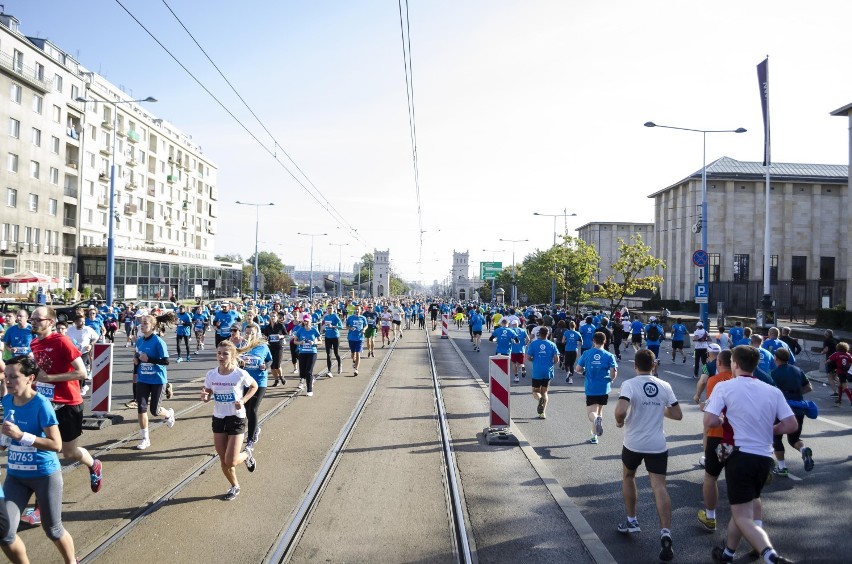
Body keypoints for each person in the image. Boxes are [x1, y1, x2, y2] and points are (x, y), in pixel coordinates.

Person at [704, 345, 797, 564]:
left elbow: (709, 421)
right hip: (764, 459)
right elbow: (791, 424)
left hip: (740, 456)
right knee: (745, 506)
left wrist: (719, 421)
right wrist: (772, 430)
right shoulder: (772, 391)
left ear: (735, 364)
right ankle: (727, 553)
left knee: (742, 515)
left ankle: (770, 555)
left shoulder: (725, 387)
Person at [0, 356, 77, 563]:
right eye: (6, 376)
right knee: (5, 532)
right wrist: (5, 439)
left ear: (30, 378)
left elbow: (56, 444)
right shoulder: (7, 400)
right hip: (16, 476)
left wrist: (20, 436)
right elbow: (8, 434)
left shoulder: (41, 404)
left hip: (44, 475)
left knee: (53, 529)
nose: (8, 381)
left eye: (14, 377)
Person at [613, 349, 681, 562]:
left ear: (635, 366)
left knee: (629, 477)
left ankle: (632, 520)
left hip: (633, 443)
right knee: (659, 486)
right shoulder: (665, 385)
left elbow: (621, 410)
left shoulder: (630, 384)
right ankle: (665, 532)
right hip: (657, 444)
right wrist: (661, 409)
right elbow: (678, 414)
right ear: (654, 365)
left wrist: (619, 422)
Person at [29, 306, 103, 493]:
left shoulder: (62, 341)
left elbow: (82, 372)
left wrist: (49, 379)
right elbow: (40, 373)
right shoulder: (34, 344)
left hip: (68, 403)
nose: (34, 322)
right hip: (45, 404)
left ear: (51, 322)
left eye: (38, 319)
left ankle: (94, 464)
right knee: (44, 450)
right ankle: (42, 503)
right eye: (32, 319)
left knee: (69, 453)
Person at [201, 340, 258, 501]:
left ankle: (246, 454)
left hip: (236, 418)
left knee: (230, 460)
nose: (221, 356)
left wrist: (244, 400)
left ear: (232, 356)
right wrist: (205, 396)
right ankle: (235, 486)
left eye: (225, 353)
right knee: (223, 459)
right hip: (218, 417)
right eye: (219, 353)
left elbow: (254, 386)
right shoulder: (211, 374)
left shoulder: (239, 373)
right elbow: (208, 392)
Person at [697, 349, 734, 531]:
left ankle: (710, 517)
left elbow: (713, 411)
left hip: (718, 436)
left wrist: (704, 406)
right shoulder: (743, 382)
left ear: (719, 362)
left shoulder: (715, 381)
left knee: (711, 477)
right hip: (740, 439)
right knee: (738, 479)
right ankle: (749, 522)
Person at [132, 315, 176, 450]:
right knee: (141, 408)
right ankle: (145, 439)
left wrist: (149, 359)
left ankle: (168, 414)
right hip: (143, 379)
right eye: (141, 323)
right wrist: (135, 370)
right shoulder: (139, 341)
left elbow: (166, 361)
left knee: (155, 411)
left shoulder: (158, 342)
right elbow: (137, 357)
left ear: (152, 326)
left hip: (157, 379)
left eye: (145, 323)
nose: (142, 325)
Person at [770, 348, 814, 476]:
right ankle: (804, 450)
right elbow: (808, 387)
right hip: (798, 408)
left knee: (776, 437)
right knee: (794, 439)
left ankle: (782, 467)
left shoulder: (773, 373)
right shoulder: (798, 370)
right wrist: (796, 395)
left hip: (780, 410)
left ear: (776, 359)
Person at [575, 332, 618, 444]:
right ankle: (594, 436)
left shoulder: (587, 353)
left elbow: (578, 369)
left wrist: (585, 371)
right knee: (599, 410)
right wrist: (611, 379)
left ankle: (595, 421)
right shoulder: (609, 355)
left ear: (593, 341)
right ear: (605, 341)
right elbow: (614, 371)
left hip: (591, 387)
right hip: (604, 387)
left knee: (591, 413)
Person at [236, 323, 271, 447]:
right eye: (247, 333)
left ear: (257, 334)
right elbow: (236, 361)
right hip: (245, 382)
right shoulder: (241, 346)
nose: (249, 335)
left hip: (260, 382)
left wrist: (265, 366)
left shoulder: (263, 346)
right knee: (245, 411)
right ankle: (255, 429)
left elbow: (269, 360)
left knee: (253, 409)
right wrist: (240, 363)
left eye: (252, 333)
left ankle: (250, 440)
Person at [526, 326, 559, 419]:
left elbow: (528, 357)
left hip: (537, 371)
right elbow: (557, 359)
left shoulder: (533, 344)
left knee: (535, 391)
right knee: (544, 392)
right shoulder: (552, 344)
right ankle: (542, 413)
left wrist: (533, 359)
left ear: (539, 334)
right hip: (548, 371)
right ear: (548, 334)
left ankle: (539, 399)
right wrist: (552, 363)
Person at [293, 315, 321, 396]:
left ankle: (309, 390)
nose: (305, 323)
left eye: (307, 321)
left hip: (312, 353)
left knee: (308, 372)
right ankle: (310, 380)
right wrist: (300, 343)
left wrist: (314, 343)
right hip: (302, 353)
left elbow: (320, 341)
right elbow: (295, 341)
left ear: (310, 321)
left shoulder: (314, 330)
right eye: (304, 321)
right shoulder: (300, 330)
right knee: (302, 372)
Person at [262, 311, 287, 386]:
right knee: (272, 366)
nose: (272, 318)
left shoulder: (280, 326)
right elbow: (266, 336)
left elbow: (286, 335)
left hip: (279, 347)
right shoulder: (267, 327)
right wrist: (265, 338)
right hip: (270, 347)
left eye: (274, 316)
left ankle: (281, 376)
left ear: (277, 317)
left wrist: (281, 336)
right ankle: (276, 380)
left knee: (277, 364)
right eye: (271, 316)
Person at [827, 341, 852, 407]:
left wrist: (832, 365)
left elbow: (828, 361)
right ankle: (839, 400)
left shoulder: (836, 354)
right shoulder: (848, 355)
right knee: (840, 386)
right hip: (846, 372)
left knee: (844, 386)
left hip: (840, 372)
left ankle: (851, 399)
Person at [321, 305, 343, 376]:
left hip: (335, 337)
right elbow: (324, 326)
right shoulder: (326, 317)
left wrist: (333, 326)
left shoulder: (335, 316)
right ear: (327, 309)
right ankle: (329, 371)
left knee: (336, 353)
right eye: (328, 308)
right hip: (327, 337)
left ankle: (339, 364)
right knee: (328, 355)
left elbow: (341, 326)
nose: (329, 310)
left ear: (333, 309)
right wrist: (323, 330)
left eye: (331, 308)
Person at [346, 305, 367, 376]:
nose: (357, 311)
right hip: (351, 338)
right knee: (352, 354)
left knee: (358, 353)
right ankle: (354, 361)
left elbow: (366, 325)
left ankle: (356, 369)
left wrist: (364, 329)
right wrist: (350, 328)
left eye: (358, 309)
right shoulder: (350, 318)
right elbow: (346, 326)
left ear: (361, 310)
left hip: (360, 338)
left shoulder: (363, 318)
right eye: (356, 309)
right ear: (354, 310)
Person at [822, 329, 841, 399]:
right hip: (837, 360)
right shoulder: (836, 340)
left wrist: (822, 352)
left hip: (830, 361)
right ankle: (843, 386)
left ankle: (836, 392)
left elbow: (826, 350)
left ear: (827, 334)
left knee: (830, 377)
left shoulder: (826, 341)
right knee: (835, 375)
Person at [563, 320, 582, 384]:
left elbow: (563, 341)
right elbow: (581, 342)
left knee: (566, 363)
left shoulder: (566, 332)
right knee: (572, 364)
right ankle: (570, 379)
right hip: (574, 350)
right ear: (575, 326)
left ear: (569, 326)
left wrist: (567, 341)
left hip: (567, 349)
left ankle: (568, 372)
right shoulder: (578, 333)